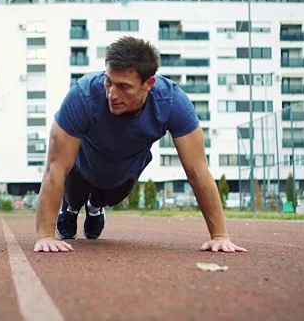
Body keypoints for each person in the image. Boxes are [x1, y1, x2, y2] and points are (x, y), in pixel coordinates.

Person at [33, 36, 247, 254]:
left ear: (148, 84)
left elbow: (198, 172)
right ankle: (70, 210)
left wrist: (220, 236)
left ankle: (94, 209)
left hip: (125, 169)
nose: (112, 95)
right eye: (108, 81)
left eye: (124, 87)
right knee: (74, 194)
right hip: (83, 165)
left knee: (110, 195)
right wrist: (46, 236)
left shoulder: (172, 103)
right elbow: (55, 168)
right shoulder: (82, 96)